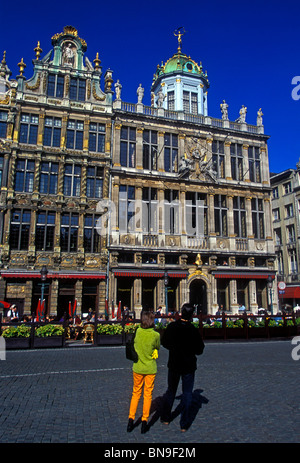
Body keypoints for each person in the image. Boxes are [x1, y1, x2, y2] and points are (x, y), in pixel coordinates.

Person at [160, 303, 205, 432]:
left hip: (174, 363)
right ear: (192, 315)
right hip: (188, 366)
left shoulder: (172, 327)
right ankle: (184, 424)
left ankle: (166, 417)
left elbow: (165, 342)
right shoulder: (193, 330)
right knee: (187, 393)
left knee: (171, 391)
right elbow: (200, 350)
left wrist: (174, 349)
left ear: (181, 313)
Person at [127, 310, 160, 434]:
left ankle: (131, 420)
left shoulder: (138, 331)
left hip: (138, 368)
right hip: (150, 368)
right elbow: (157, 346)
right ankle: (145, 421)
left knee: (135, 393)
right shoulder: (155, 335)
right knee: (147, 395)